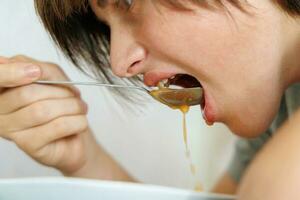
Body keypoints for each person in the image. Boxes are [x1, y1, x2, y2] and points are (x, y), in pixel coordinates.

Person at [0, 0, 300, 199]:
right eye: (108, 28)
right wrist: (83, 158)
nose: (119, 64)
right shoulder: (280, 102)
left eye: (127, 2)